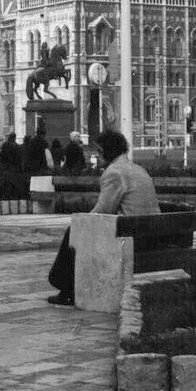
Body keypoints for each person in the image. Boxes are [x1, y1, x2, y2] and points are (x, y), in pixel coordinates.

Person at [46, 129, 160, 306]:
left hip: (133, 238)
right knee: (80, 231)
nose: (96, 156)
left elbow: (102, 211)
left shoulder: (114, 172)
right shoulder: (137, 169)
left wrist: (81, 222)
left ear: (108, 151)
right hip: (151, 234)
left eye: (99, 151)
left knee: (75, 232)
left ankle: (66, 288)